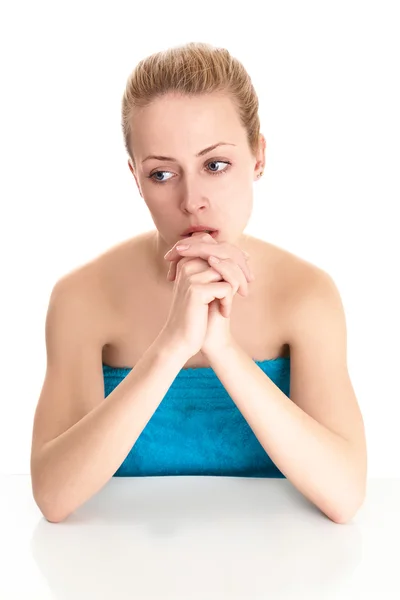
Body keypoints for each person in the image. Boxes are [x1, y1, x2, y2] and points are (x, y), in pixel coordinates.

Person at [30, 42, 367, 524]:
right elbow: (54, 498)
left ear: (258, 157)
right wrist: (171, 346)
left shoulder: (308, 296)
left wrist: (222, 349)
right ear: (136, 179)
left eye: (215, 165)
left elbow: (346, 495)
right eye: (162, 173)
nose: (192, 201)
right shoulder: (81, 298)